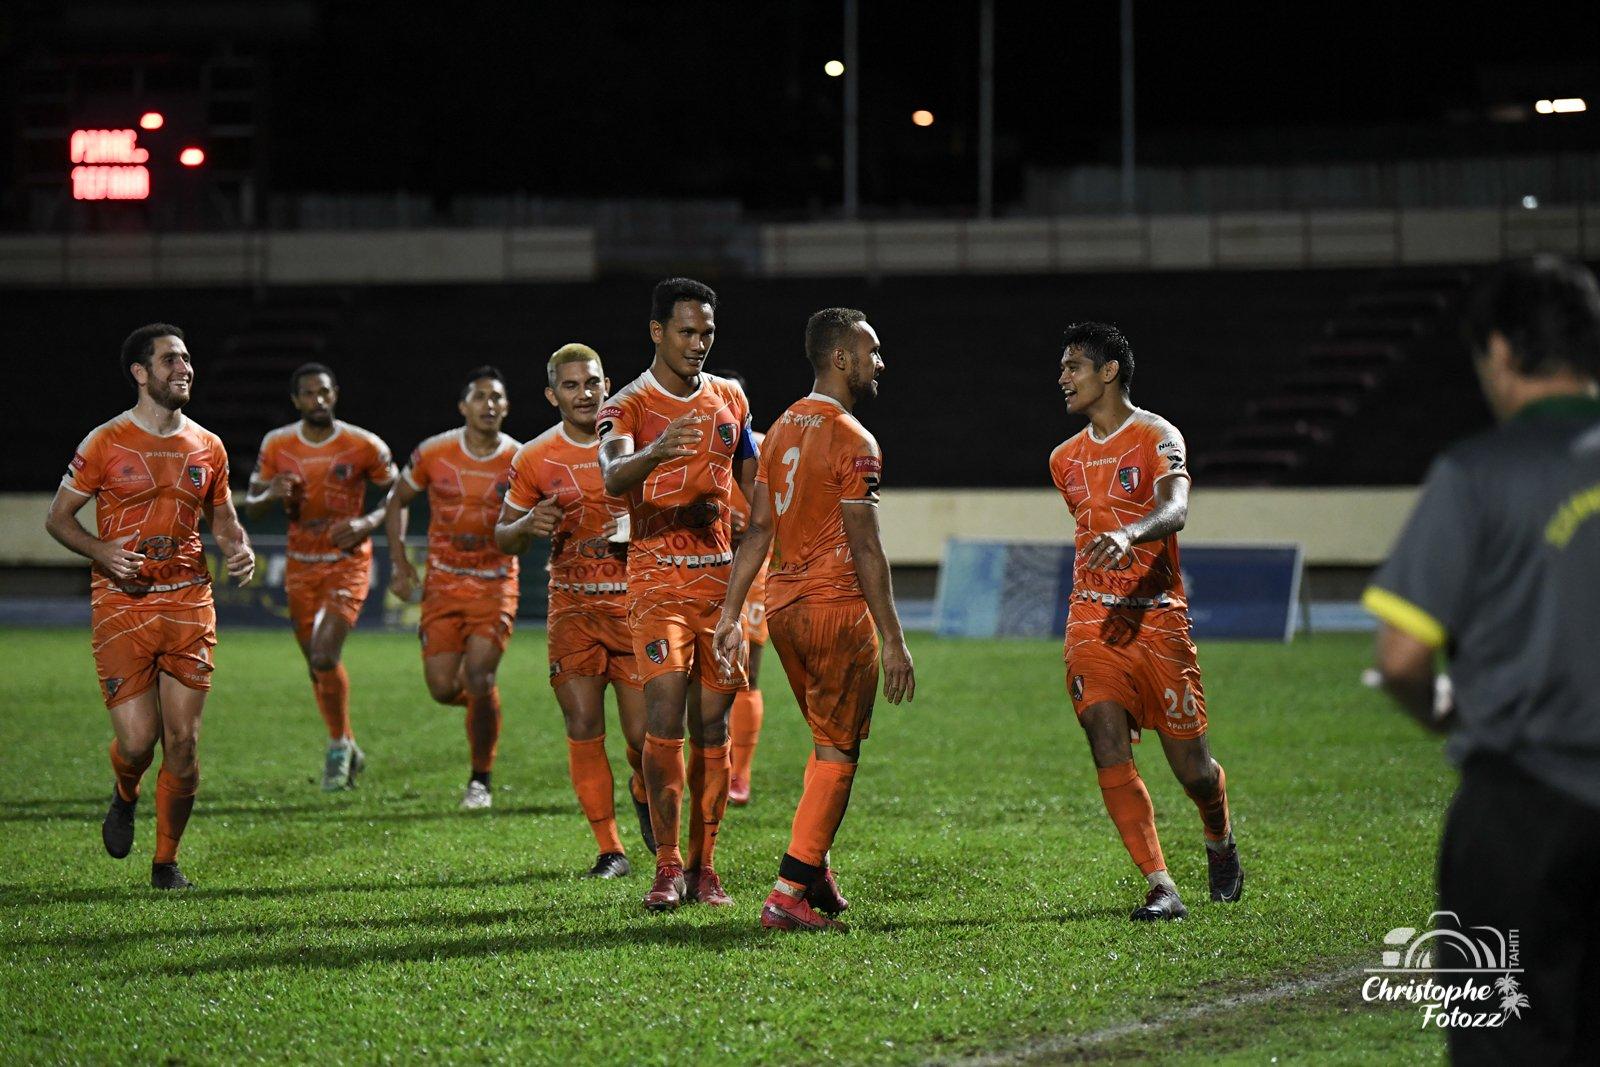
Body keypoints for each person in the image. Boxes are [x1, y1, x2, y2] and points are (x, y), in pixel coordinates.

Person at [1363, 255, 1600, 1064]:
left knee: (1503, 1042)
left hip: (1516, 815)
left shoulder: (1476, 473)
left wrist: (1443, 712)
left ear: (1499, 352)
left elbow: (1400, 657)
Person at [714, 307, 915, 932]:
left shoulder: (777, 429)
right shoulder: (855, 440)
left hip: (783, 610)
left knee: (825, 739)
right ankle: (788, 893)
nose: (879, 363)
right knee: (839, 751)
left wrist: (729, 613)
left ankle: (816, 869)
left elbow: (758, 531)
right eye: (871, 351)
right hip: (834, 611)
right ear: (841, 358)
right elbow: (866, 550)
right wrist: (894, 640)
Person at [45, 323, 255, 890]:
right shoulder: (104, 442)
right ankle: (125, 790)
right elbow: (58, 519)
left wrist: (239, 548)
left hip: (188, 601)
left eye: (187, 359)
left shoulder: (208, 445)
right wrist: (99, 551)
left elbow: (223, 516)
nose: (184, 368)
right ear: (140, 373)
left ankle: (166, 863)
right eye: (170, 360)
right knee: (138, 743)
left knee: (183, 744)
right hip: (122, 605)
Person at [1049, 321, 1241, 922]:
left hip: (1159, 621)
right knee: (1105, 740)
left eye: (1073, 366)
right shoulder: (1063, 459)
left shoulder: (1158, 435)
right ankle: (1162, 885)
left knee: (1194, 769)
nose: (1063, 378)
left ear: (1109, 371)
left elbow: (1177, 507)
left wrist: (1131, 532)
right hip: (1091, 618)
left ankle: (1219, 837)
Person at [597, 277, 757, 912]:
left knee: (712, 724)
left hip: (718, 583)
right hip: (657, 582)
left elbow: (754, 485)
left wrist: (766, 529)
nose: (699, 343)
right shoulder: (629, 404)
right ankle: (666, 866)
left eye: (708, 332)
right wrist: (659, 451)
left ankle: (705, 867)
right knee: (664, 717)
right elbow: (613, 476)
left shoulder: (731, 398)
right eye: (687, 332)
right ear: (657, 332)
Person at [496, 344, 649, 878]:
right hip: (573, 609)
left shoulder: (639, 444)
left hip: (637, 608)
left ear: (608, 385)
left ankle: (641, 786)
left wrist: (636, 530)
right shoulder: (535, 457)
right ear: (551, 394)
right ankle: (611, 850)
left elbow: (678, 512)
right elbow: (503, 535)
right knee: (583, 723)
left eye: (591, 383)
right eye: (571, 386)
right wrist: (525, 528)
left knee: (642, 740)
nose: (584, 394)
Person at [244, 363, 396, 790]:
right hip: (300, 562)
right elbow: (252, 504)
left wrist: (367, 522)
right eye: (309, 394)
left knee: (325, 655)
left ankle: (336, 747)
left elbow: (396, 492)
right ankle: (347, 741)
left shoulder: (362, 444)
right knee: (316, 664)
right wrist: (270, 493)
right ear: (296, 401)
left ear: (335, 394)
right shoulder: (277, 444)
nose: (319, 400)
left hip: (347, 559)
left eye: (325, 392)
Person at [385, 367, 520, 810]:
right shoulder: (433, 452)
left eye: (497, 398)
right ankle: (487, 712)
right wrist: (401, 561)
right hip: (442, 584)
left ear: (506, 407)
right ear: (463, 406)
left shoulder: (521, 459)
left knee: (479, 676)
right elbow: (397, 500)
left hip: (495, 583)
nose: (489, 405)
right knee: (443, 688)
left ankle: (480, 779)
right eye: (480, 397)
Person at [716, 370, 769, 807]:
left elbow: (786, 513)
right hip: (703, 571)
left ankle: (740, 774)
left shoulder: (768, 449)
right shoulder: (697, 447)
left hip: (754, 575)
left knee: (747, 674)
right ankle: (712, 763)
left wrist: (750, 527)